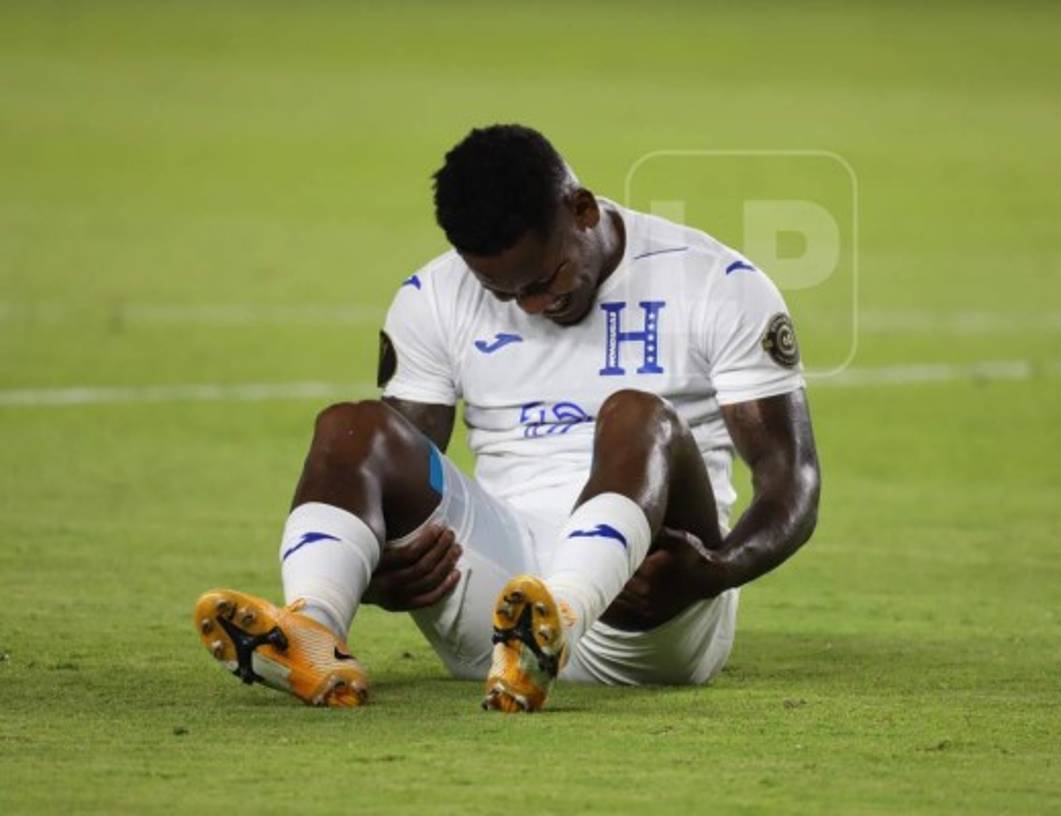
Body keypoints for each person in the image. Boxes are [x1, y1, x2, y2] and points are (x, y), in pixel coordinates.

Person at [193, 124, 820, 712]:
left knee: (635, 413)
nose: (534, 305)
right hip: (495, 607)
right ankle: (314, 630)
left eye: (545, 279)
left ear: (582, 210)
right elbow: (394, 466)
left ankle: (559, 618)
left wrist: (716, 571)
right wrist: (373, 570)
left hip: (649, 606)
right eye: (505, 293)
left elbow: (791, 480)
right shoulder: (433, 297)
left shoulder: (715, 282)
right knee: (352, 428)